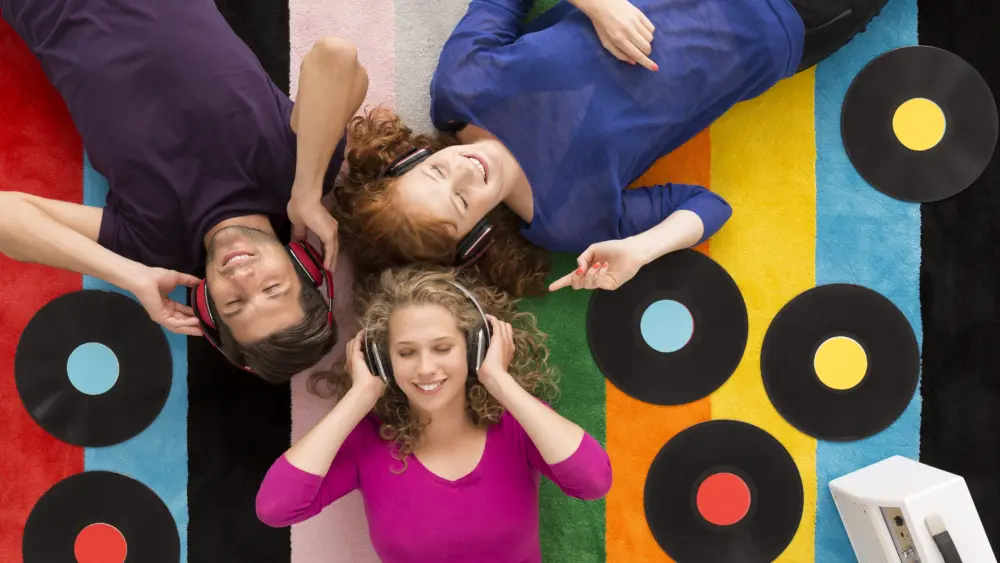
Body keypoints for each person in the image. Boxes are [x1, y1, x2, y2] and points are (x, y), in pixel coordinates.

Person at [332, 0, 888, 297]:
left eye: (434, 175)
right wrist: (642, 250)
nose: (463, 175)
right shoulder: (564, 223)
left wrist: (599, 6)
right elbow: (708, 207)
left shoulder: (460, 88)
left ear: (410, 159)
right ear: (477, 235)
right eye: (460, 202)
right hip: (791, 22)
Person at [0, 0, 369, 381]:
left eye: (235, 304)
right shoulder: (298, 175)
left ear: (207, 304)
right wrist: (307, 192)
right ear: (301, 265)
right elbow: (336, 57)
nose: (243, 279)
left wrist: (130, 276)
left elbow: (5, 218)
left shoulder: (153, 245)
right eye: (272, 287)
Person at [255, 265, 612, 562]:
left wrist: (499, 381)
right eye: (406, 353)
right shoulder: (366, 442)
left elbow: (594, 482)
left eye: (443, 348)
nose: (426, 368)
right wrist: (360, 395)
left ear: (474, 349)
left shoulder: (517, 425)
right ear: (383, 360)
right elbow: (276, 508)